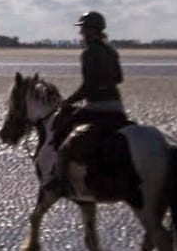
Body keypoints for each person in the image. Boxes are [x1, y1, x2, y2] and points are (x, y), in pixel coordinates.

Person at [43, 10, 129, 194]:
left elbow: (88, 86)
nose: (81, 33)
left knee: (60, 128)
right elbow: (119, 78)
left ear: (91, 30)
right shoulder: (111, 51)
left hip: (97, 107)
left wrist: (68, 102)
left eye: (83, 29)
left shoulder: (89, 53)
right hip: (117, 107)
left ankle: (59, 178)